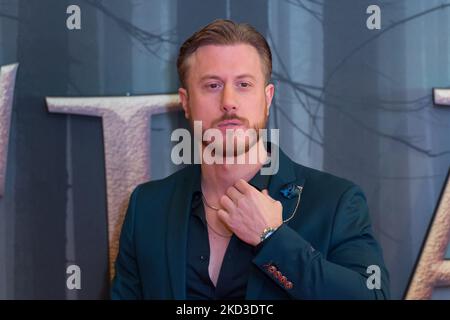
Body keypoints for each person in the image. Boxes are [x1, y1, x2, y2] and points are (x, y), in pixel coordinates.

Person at [111, 19, 389, 300]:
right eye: (212, 85)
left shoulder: (336, 201)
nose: (229, 101)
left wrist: (272, 238)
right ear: (186, 102)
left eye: (244, 84)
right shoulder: (147, 207)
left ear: (267, 98)